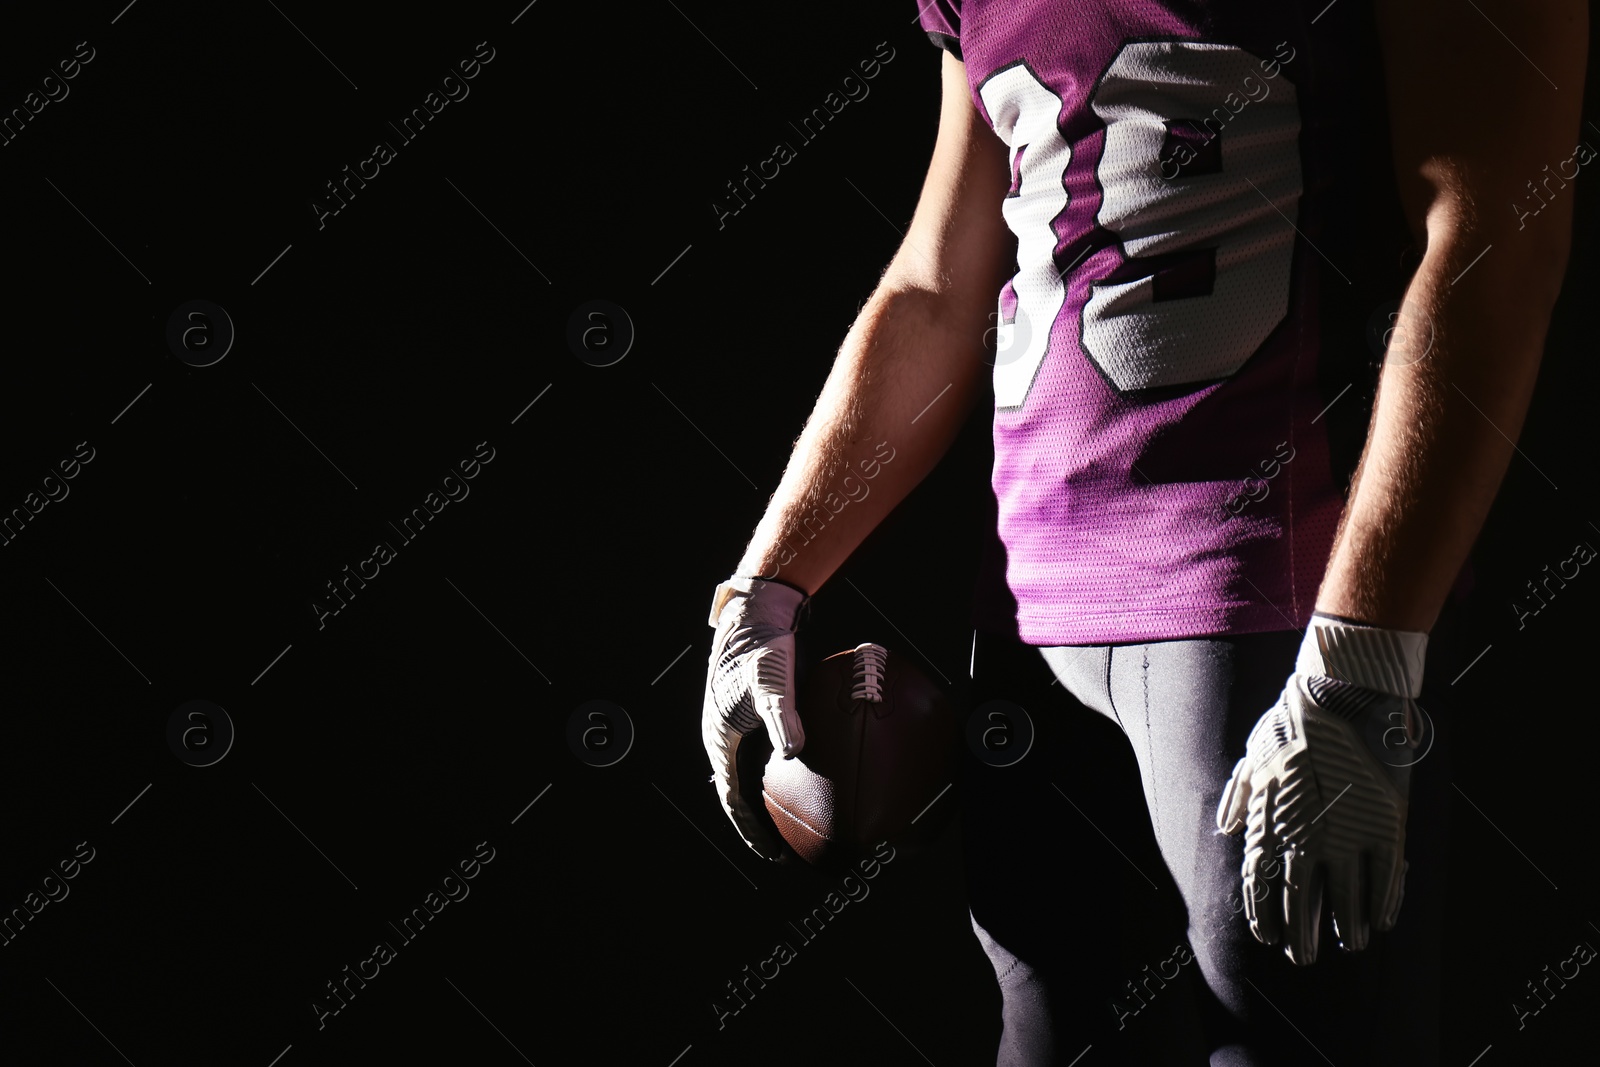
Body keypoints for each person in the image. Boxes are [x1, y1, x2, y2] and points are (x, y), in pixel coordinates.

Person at [701, 1, 1586, 1063]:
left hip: (1263, 605)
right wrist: (766, 580)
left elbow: (1493, 237)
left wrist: (1361, 654)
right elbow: (938, 282)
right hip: (1029, 622)